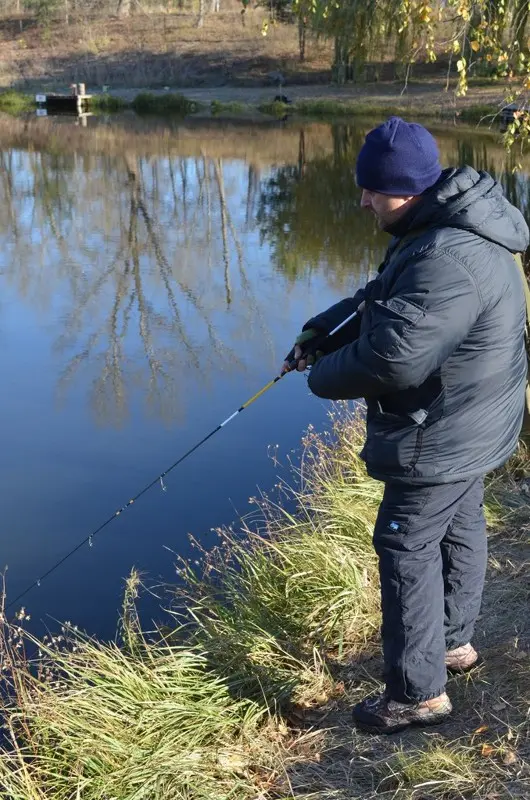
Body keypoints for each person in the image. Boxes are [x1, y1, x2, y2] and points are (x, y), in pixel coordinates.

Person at [283, 116, 529, 734]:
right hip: (474, 418)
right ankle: (449, 644)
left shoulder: (448, 255)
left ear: (411, 187)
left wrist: (322, 375)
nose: (363, 200)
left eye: (373, 190)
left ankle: (418, 693)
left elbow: (394, 356)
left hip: (443, 429)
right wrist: (324, 329)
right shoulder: (440, 224)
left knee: (405, 543)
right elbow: (384, 297)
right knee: (460, 521)